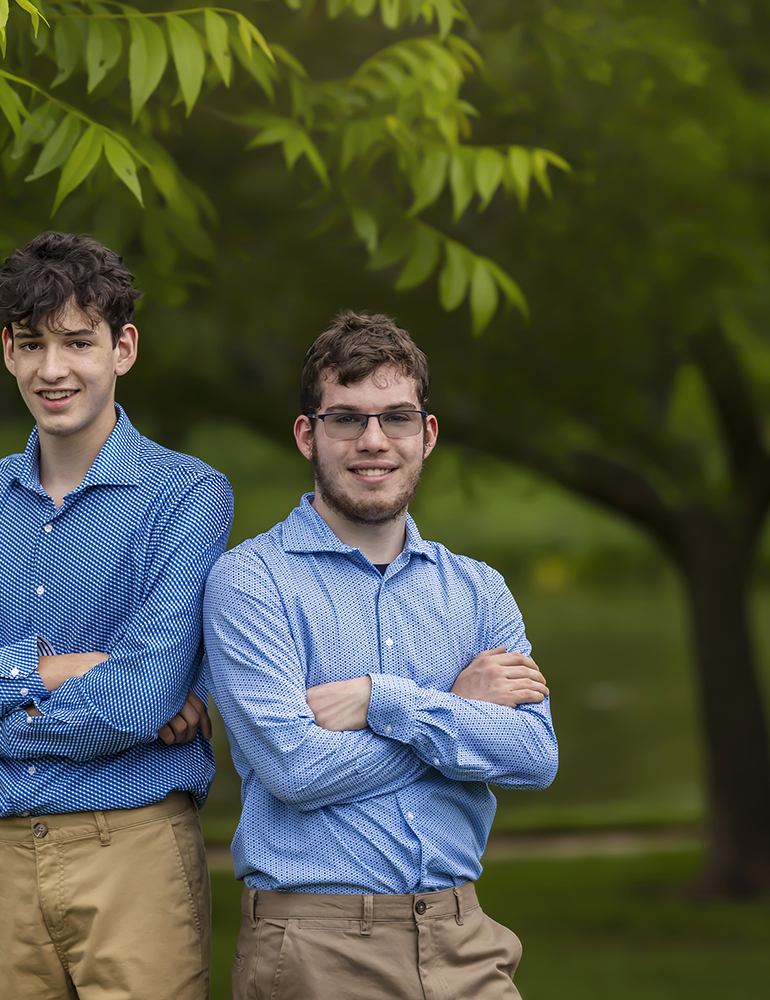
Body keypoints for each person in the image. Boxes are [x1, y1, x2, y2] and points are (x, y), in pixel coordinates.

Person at [0, 232, 232, 1000]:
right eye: (32, 343)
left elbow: (138, 699)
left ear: (124, 348)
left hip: (133, 849)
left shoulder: (187, 497)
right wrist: (50, 670)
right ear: (7, 352)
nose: (54, 369)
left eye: (78, 342)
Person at [203, 311, 559, 1000]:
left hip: (467, 940)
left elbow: (534, 757)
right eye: (346, 419)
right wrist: (458, 711)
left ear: (425, 434)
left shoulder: (478, 588)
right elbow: (296, 769)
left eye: (396, 417)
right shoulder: (251, 581)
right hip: (317, 948)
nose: (373, 441)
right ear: (309, 434)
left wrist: (383, 701)